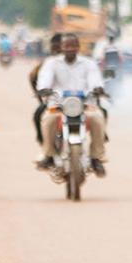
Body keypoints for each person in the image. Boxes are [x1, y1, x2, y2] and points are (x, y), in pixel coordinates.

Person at [35, 33, 107, 176]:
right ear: (61, 47)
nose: (70, 49)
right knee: (47, 120)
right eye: (66, 46)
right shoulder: (51, 63)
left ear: (78, 47)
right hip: (58, 106)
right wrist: (44, 89)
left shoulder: (89, 63)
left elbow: (95, 81)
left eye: (73, 46)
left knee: (98, 118)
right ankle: (49, 155)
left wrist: (97, 88)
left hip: (85, 105)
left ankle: (95, 157)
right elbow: (44, 81)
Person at [29, 33, 63, 144]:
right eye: (55, 49)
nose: (58, 52)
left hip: (75, 101)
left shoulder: (77, 63)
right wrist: (41, 99)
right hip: (55, 102)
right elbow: (33, 78)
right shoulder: (46, 65)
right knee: (38, 115)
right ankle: (44, 144)